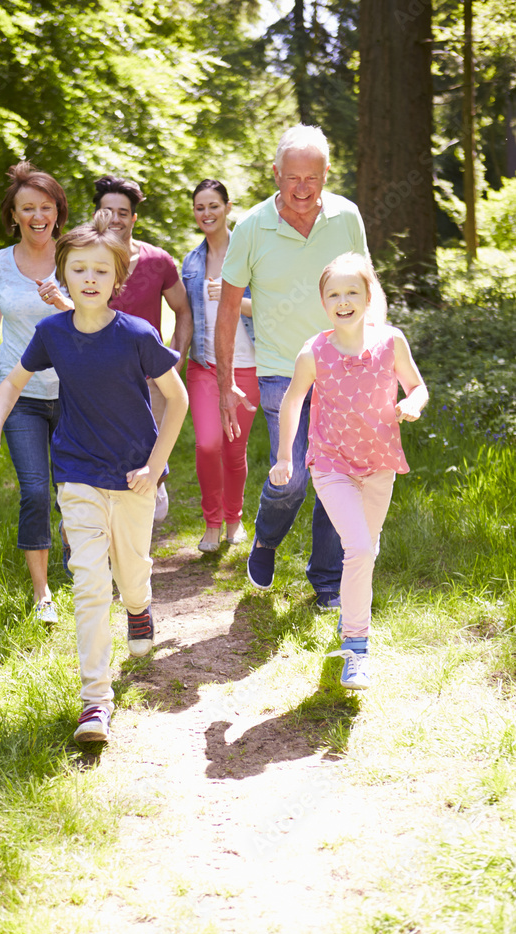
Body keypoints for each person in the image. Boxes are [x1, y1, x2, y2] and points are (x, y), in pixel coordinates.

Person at [0, 211, 188, 742]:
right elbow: (12, 382)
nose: (89, 279)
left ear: (117, 281)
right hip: (77, 472)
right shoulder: (52, 333)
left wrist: (154, 469)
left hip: (133, 476)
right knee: (90, 584)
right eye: (79, 270)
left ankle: (139, 608)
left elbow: (176, 400)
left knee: (131, 570)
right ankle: (95, 702)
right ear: (63, 277)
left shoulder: (137, 334)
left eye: (100, 271)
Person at [215, 123, 370, 603]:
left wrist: (377, 353)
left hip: (343, 366)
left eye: (313, 178)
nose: (302, 189)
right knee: (295, 477)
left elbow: (369, 285)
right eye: (292, 177)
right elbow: (226, 308)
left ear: (326, 173)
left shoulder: (347, 216)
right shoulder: (251, 227)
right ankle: (265, 538)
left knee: (336, 477)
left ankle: (325, 579)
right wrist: (224, 383)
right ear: (276, 173)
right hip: (283, 369)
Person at [269, 253, 428, 689]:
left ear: (368, 296)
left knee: (366, 551)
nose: (343, 301)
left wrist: (411, 403)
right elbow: (292, 402)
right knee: (357, 547)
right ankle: (357, 649)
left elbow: (417, 385)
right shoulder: (314, 351)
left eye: (352, 292)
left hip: (380, 464)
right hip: (331, 462)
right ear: (323, 302)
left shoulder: (391, 342)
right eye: (334, 294)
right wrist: (285, 456)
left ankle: (351, 620)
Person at [0, 161, 72, 624]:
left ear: (58, 212)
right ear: (14, 214)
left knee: (73, 489)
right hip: (21, 392)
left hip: (74, 392)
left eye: (46, 207)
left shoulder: (76, 256)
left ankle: (84, 561)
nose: (37, 215)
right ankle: (42, 593)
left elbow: (98, 319)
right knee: (34, 491)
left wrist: (63, 303)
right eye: (28, 208)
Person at [92, 174, 193, 522]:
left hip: (149, 378)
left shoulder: (158, 261)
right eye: (109, 211)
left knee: (148, 455)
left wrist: (174, 360)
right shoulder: (86, 261)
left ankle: (153, 490)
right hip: (95, 377)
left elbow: (183, 310)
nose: (116, 218)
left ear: (134, 218)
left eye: (123, 212)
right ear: (97, 216)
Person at [182, 179, 260, 552]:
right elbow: (186, 317)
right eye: (200, 207)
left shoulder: (250, 254)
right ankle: (212, 522)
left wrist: (233, 300)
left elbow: (270, 308)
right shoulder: (192, 262)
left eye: (213, 205)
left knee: (234, 447)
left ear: (228, 207)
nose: (207, 213)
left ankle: (234, 520)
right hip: (204, 366)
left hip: (247, 366)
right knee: (208, 444)